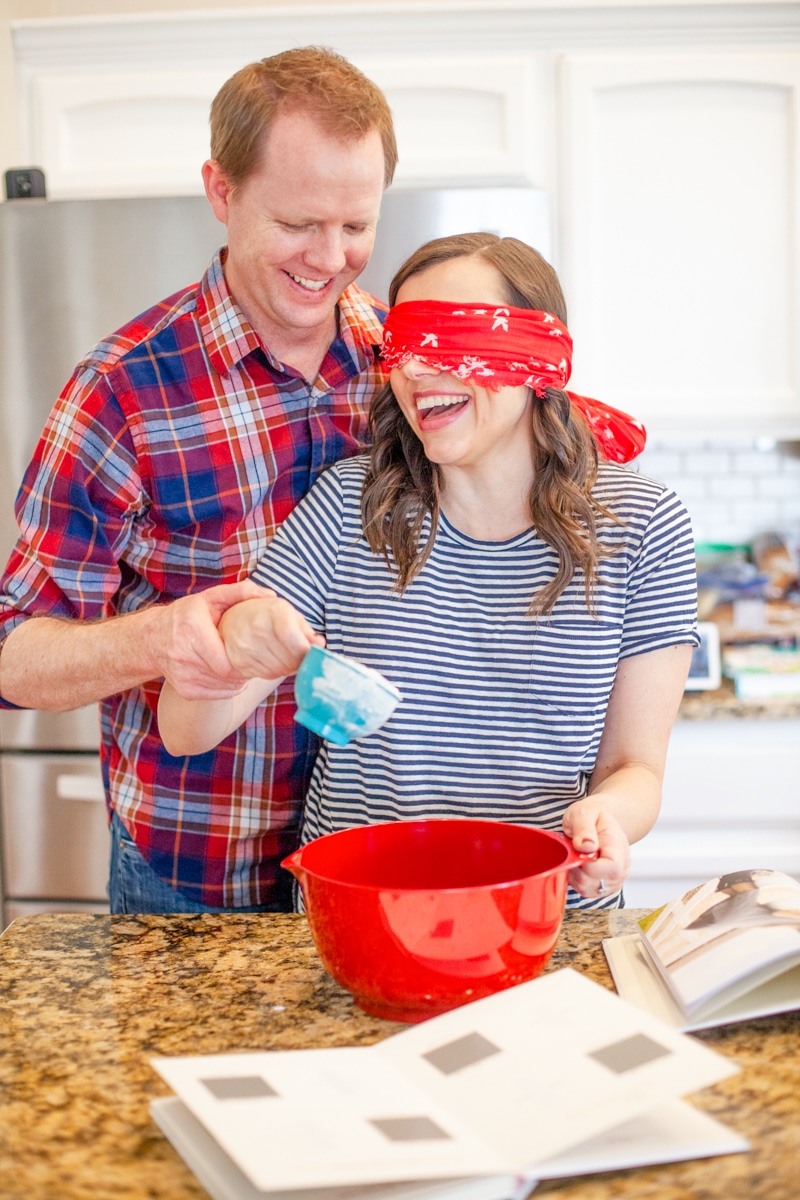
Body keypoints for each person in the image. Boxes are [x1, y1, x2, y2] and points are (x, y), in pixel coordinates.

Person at [157, 232, 699, 907]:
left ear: (538, 360)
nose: (415, 370)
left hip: (546, 918)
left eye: (450, 339)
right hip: (359, 915)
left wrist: (607, 819)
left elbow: (634, 767)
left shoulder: (643, 526)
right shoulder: (348, 506)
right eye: (402, 345)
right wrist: (235, 650)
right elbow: (183, 732)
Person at [0, 46, 397, 913]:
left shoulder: (405, 370)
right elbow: (13, 657)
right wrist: (160, 640)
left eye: (356, 225)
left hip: (380, 852)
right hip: (194, 867)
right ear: (223, 192)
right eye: (299, 222)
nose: (331, 258)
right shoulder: (123, 389)